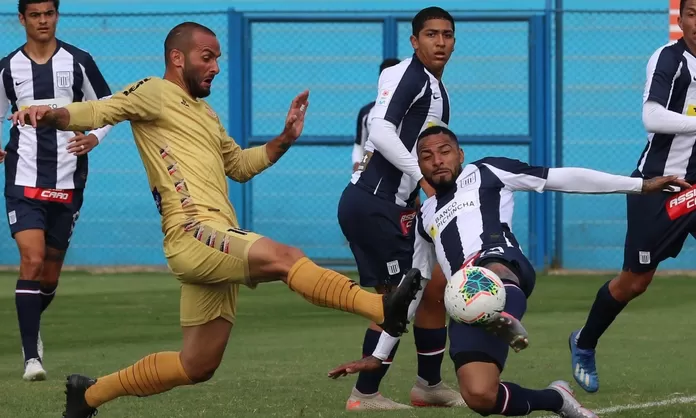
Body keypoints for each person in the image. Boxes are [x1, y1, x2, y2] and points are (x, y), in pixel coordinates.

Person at [9, 22, 422, 418]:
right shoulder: (153, 90)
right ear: (177, 58)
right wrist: (50, 115)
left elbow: (239, 165)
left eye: (218, 58)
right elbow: (101, 110)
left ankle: (89, 393)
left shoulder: (205, 114)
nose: (216, 67)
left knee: (197, 364)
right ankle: (381, 307)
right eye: (206, 57)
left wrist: (283, 140)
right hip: (192, 230)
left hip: (215, 233)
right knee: (284, 257)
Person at [328, 126, 689, 417]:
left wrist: (640, 186)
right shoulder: (424, 219)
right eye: (427, 156)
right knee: (480, 396)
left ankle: (496, 312)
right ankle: (556, 399)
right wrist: (378, 356)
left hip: (503, 268)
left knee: (487, 270)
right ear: (418, 167)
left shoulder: (487, 172)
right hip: (464, 301)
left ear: (460, 154)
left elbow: (561, 178)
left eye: (445, 151)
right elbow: (414, 294)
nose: (437, 160)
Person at [337, 7, 464, 410]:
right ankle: (365, 393)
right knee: (398, 298)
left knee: (433, 287)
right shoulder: (411, 75)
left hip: (389, 206)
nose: (440, 42)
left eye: (447, 34)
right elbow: (380, 130)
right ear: (415, 41)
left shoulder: (428, 83)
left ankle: (427, 385)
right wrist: (423, 180)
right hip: (374, 204)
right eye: (431, 34)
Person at [568, 0, 696, 394]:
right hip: (660, 188)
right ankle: (584, 342)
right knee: (635, 282)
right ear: (681, 18)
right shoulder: (671, 59)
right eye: (693, 12)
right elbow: (651, 116)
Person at [0, 0, 113, 382]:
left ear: (56, 16)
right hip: (23, 178)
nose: (43, 21)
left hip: (69, 179)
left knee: (48, 277)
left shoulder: (79, 60)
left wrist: (94, 138)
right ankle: (32, 356)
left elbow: (110, 107)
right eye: (35, 15)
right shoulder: (8, 67)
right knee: (30, 260)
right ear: (22, 19)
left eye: (49, 13)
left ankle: (31, 321)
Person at [351, 58, 401, 172]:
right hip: (374, 179)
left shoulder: (415, 111)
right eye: (385, 78)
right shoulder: (367, 113)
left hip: (407, 180)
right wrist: (359, 167)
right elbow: (362, 146)